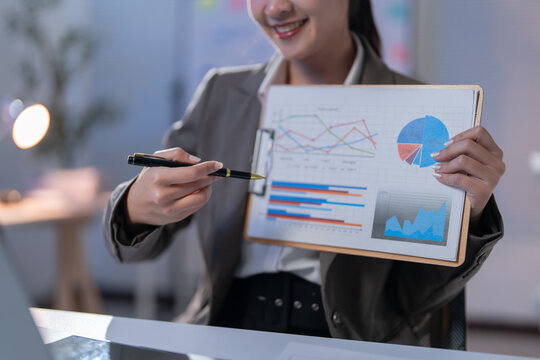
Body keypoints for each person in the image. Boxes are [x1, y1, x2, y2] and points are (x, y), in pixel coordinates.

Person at [103, 0, 505, 347]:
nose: (275, 7)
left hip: (349, 339)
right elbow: (137, 242)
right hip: (226, 325)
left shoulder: (419, 116)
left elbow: (419, 293)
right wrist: (137, 206)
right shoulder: (222, 95)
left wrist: (465, 215)